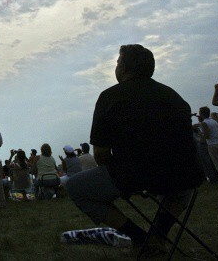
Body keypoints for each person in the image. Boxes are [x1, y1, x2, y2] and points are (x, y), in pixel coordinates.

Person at [66, 44, 204, 253]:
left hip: (134, 175)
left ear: (124, 68)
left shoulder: (110, 97)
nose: (116, 66)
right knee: (183, 189)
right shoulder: (173, 96)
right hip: (183, 174)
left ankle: (141, 238)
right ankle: (159, 234)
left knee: (75, 187)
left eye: (118, 62)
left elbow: (101, 154)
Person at [196, 107, 218, 187]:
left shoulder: (204, 123)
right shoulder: (214, 121)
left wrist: (201, 136)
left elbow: (207, 135)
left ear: (201, 113)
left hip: (212, 145)